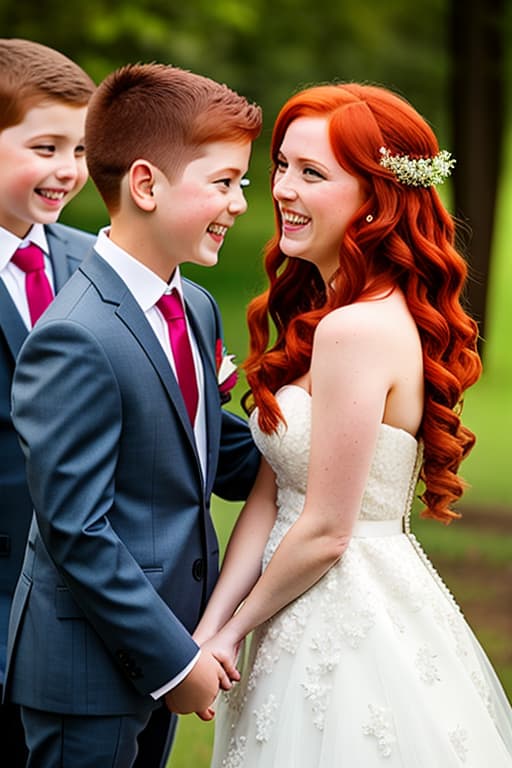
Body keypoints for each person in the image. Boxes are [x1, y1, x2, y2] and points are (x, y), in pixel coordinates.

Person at [192, 82, 512, 767]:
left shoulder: (356, 330)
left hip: (341, 613)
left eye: (313, 173)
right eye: (281, 165)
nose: (282, 189)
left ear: (377, 197)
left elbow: (329, 529)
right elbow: (274, 493)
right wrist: (209, 630)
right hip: (293, 599)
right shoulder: (329, 315)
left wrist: (231, 633)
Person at [4, 62, 262, 768]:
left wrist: (322, 443)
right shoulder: (75, 335)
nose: (241, 202)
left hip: (165, 636)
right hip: (88, 669)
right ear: (147, 185)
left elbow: (216, 458)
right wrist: (176, 663)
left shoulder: (196, 307)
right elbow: (76, 528)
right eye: (224, 183)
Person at [0, 37, 96, 766]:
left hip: (72, 618)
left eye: (82, 149)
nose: (68, 170)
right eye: (46, 146)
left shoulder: (91, 264)